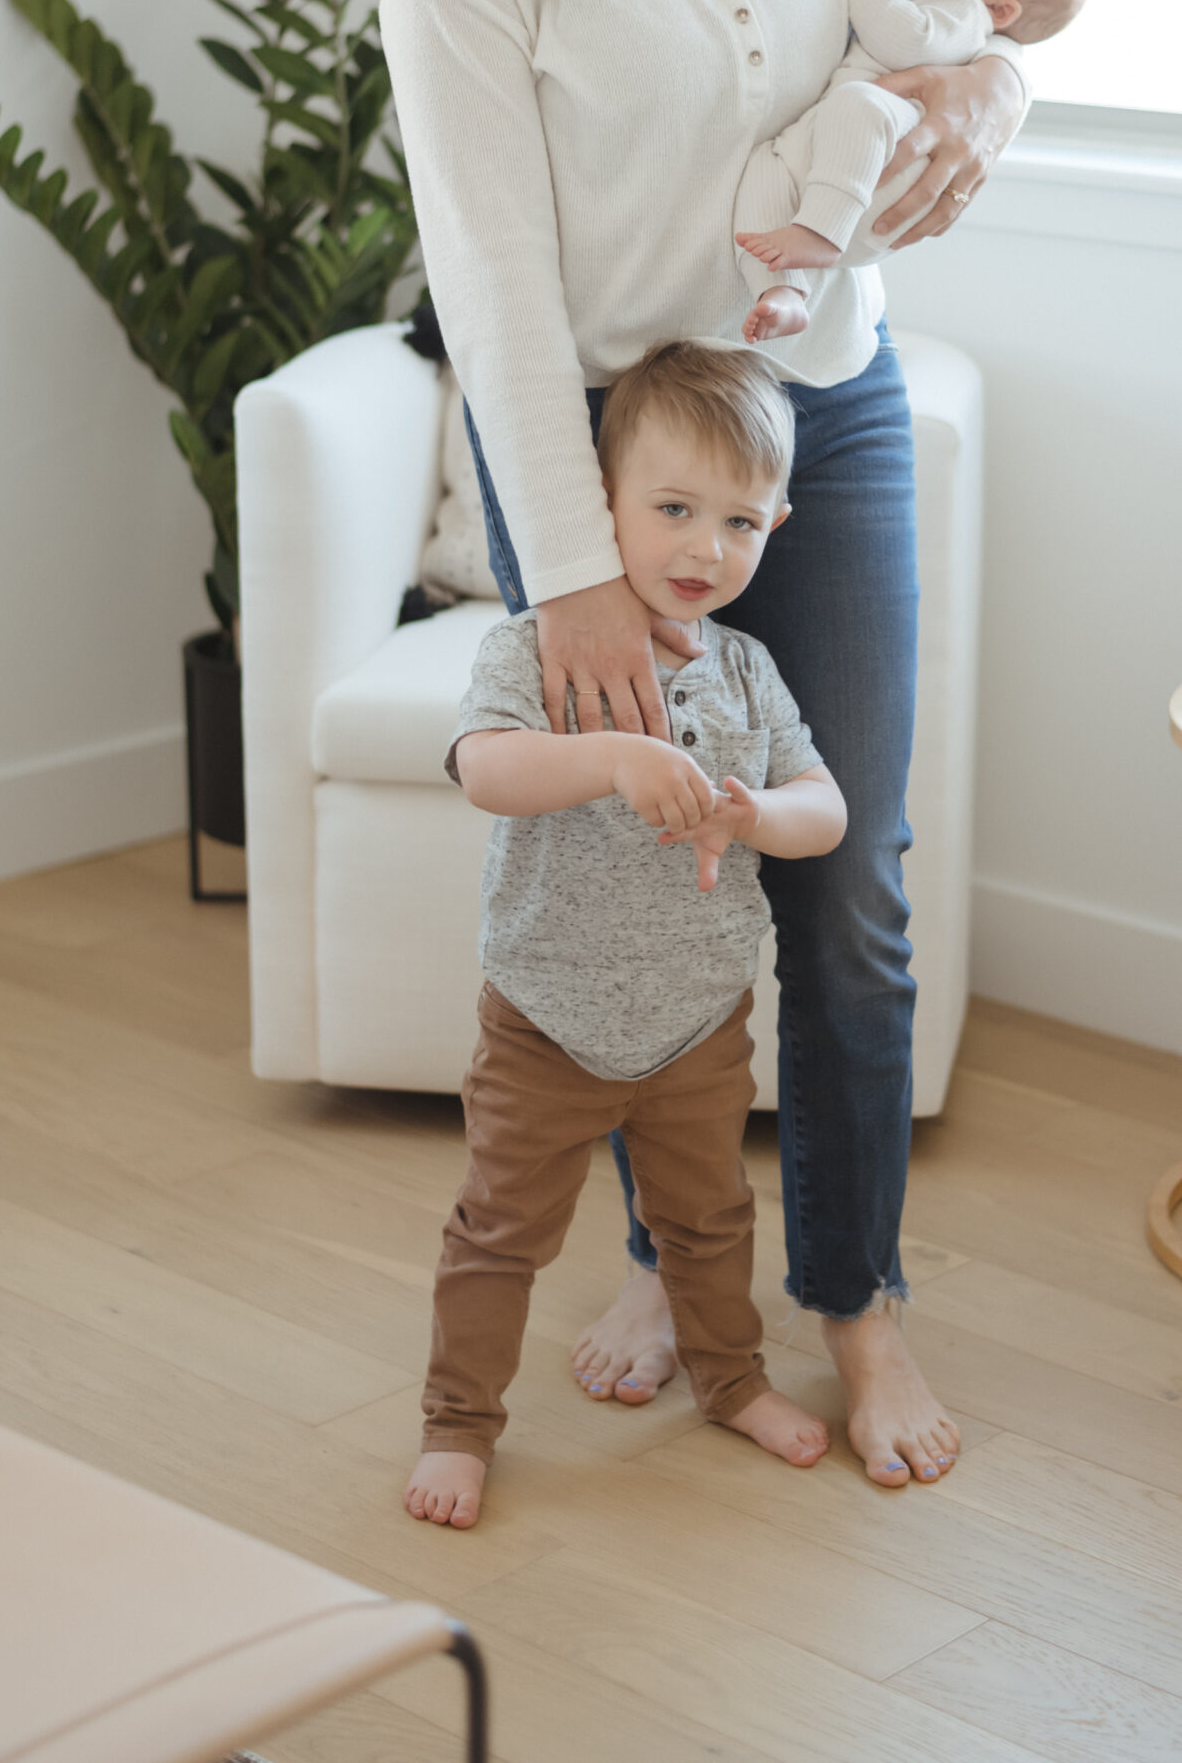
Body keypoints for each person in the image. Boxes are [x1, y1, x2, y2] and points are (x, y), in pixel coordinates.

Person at [382, 0, 1031, 1488]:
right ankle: (679, 1256)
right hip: (590, 451)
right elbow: (481, 267)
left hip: (811, 422)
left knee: (839, 865)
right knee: (650, 867)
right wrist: (561, 563)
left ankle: (854, 1294)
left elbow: (971, 28)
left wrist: (983, 121)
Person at [405, 344, 846, 1529]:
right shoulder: (538, 649)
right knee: (499, 1232)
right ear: (598, 501)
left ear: (777, 522)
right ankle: (459, 1423)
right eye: (672, 510)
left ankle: (731, 1378)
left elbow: (827, 809)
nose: (705, 548)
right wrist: (612, 755)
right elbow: (486, 771)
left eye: (740, 521)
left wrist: (760, 810)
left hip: (697, 1026)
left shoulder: (750, 675)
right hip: (546, 1017)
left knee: (707, 1223)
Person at [737, 0, 1089, 343]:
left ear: (1000, 9)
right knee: (763, 170)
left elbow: (905, 41)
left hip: (881, 170)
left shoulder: (962, 8)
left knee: (860, 104)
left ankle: (820, 231)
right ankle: (782, 293)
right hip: (838, 154)